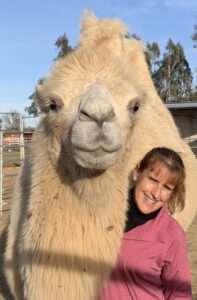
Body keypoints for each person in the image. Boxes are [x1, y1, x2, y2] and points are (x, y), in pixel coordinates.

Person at [98, 147, 192, 300]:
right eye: (153, 180)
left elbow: (179, 294)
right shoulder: (100, 216)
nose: (156, 193)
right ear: (137, 173)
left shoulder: (171, 233)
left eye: (167, 187)